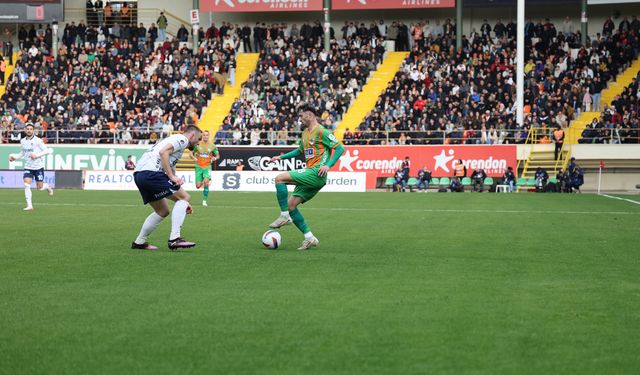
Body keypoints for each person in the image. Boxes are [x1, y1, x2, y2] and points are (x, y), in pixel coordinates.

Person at [267, 104, 345, 250]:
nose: (300, 118)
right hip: (311, 174)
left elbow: (340, 148)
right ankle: (309, 238)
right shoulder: (305, 133)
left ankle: (284, 216)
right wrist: (281, 157)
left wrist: (328, 165)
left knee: (279, 178)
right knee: (291, 205)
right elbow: (299, 151)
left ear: (310, 114)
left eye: (302, 115)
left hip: (316, 173)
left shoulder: (322, 131)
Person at [131, 125, 202, 251]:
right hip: (152, 173)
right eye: (198, 138)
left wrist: (182, 203)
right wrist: (172, 178)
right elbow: (163, 152)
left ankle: (139, 242)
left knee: (162, 211)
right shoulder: (182, 139)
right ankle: (175, 239)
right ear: (191, 136)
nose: (198, 142)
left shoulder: (175, 145)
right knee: (185, 196)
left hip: (140, 175)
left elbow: (167, 163)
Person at [8, 123, 54, 210]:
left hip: (38, 167)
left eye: (30, 129)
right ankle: (29, 206)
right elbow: (23, 153)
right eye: (27, 129)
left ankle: (47, 186)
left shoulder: (38, 140)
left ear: (33, 130)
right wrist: (15, 157)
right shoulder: (22, 141)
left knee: (39, 187)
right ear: (25, 130)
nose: (29, 130)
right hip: (28, 167)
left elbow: (47, 151)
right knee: (26, 184)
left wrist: (36, 155)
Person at [191, 130, 219, 207]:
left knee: (206, 182)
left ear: (208, 136)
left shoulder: (212, 146)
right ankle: (203, 180)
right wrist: (193, 158)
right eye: (204, 135)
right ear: (202, 136)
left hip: (207, 167)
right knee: (198, 186)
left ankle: (204, 200)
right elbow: (191, 153)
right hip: (198, 167)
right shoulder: (198, 144)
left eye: (207, 135)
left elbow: (217, 155)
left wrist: (214, 158)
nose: (205, 136)